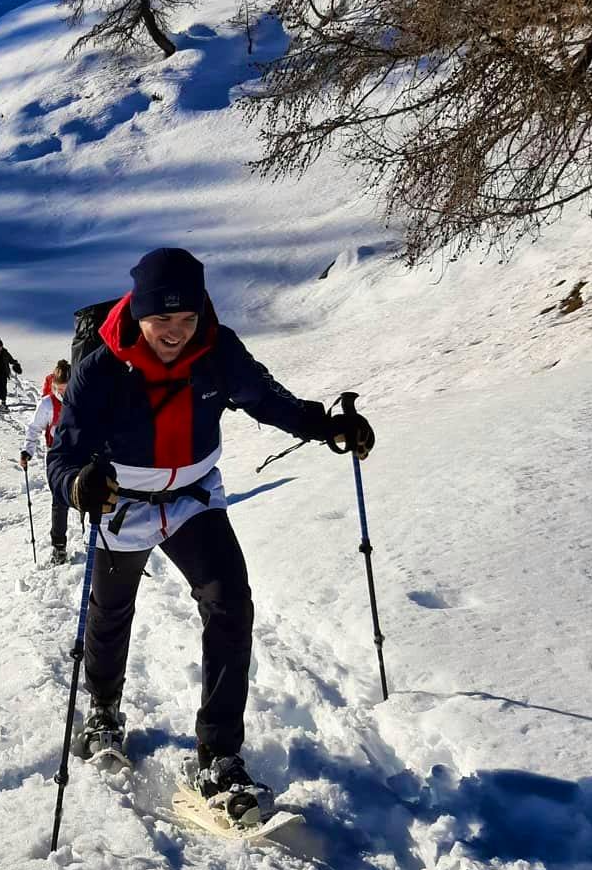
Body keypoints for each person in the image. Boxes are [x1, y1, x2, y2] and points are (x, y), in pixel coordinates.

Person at [46, 247, 375, 824]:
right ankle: (102, 705)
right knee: (111, 609)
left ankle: (218, 756)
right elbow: (63, 455)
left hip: (196, 498)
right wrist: (78, 484)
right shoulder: (101, 368)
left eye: (186, 320)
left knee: (230, 605)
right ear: (139, 315)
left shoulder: (216, 351)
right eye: (161, 321)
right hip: (124, 502)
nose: (174, 334)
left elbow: (267, 401)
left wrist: (326, 426)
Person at [20, 360, 72, 565]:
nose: (64, 393)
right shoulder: (48, 404)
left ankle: (90, 535)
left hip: (79, 453)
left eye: (67, 388)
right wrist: (27, 451)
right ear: (54, 386)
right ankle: (59, 548)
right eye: (60, 389)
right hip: (57, 456)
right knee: (59, 500)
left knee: (87, 493)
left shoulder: (81, 397)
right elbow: (34, 428)